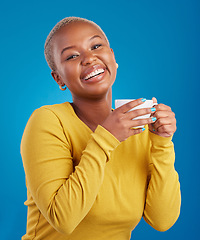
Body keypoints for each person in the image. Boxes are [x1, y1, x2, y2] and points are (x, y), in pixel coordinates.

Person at [21, 17, 181, 240]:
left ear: (113, 58)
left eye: (96, 46)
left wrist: (163, 142)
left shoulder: (138, 128)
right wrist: (107, 138)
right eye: (72, 56)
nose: (89, 58)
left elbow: (162, 220)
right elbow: (63, 219)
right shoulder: (48, 121)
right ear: (59, 78)